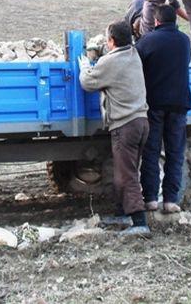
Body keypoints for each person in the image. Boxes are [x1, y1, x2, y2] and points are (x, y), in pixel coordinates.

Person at [78, 20, 151, 237]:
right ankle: (122, 214)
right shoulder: (133, 54)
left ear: (111, 41)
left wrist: (85, 65)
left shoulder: (111, 62)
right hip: (141, 122)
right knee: (125, 171)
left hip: (125, 126)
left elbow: (87, 83)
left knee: (126, 175)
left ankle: (139, 222)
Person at [136, 4, 191, 213]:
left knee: (151, 151)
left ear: (156, 21)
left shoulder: (147, 41)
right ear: (175, 21)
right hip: (179, 105)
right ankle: (170, 201)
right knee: (175, 152)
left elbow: (136, 66)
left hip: (154, 105)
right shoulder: (185, 41)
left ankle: (150, 199)